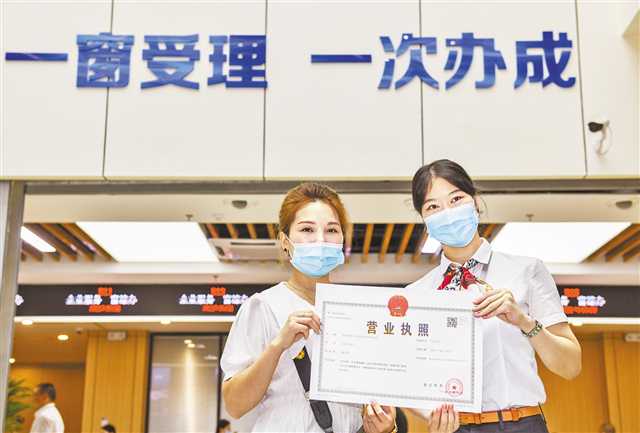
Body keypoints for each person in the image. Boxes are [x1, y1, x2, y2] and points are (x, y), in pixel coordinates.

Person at [406, 159, 582, 433]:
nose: (447, 213)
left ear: (476, 202)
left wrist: (524, 322)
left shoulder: (526, 271)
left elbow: (570, 366)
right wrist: (431, 415)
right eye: (433, 207)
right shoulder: (415, 295)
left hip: (521, 424)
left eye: (456, 199)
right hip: (455, 428)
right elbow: (407, 378)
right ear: (425, 222)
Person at [221, 182, 401, 433]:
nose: (320, 240)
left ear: (342, 240)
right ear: (285, 241)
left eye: (331, 230)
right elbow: (234, 404)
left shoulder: (358, 312)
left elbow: (373, 396)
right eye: (307, 229)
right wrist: (277, 346)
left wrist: (384, 426)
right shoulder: (262, 307)